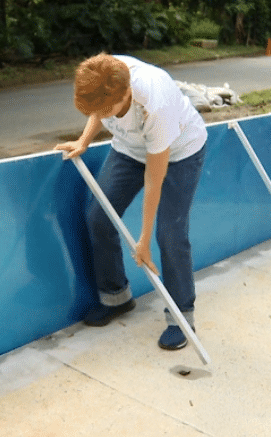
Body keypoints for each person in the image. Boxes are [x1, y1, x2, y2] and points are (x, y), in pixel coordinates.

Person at [55, 53, 208, 350]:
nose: (103, 115)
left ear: (126, 93)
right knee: (99, 216)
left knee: (170, 234)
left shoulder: (155, 102)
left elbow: (154, 180)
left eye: (107, 109)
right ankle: (116, 298)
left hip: (179, 151)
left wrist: (144, 240)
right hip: (130, 149)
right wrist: (83, 141)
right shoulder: (103, 72)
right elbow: (98, 108)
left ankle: (181, 317)